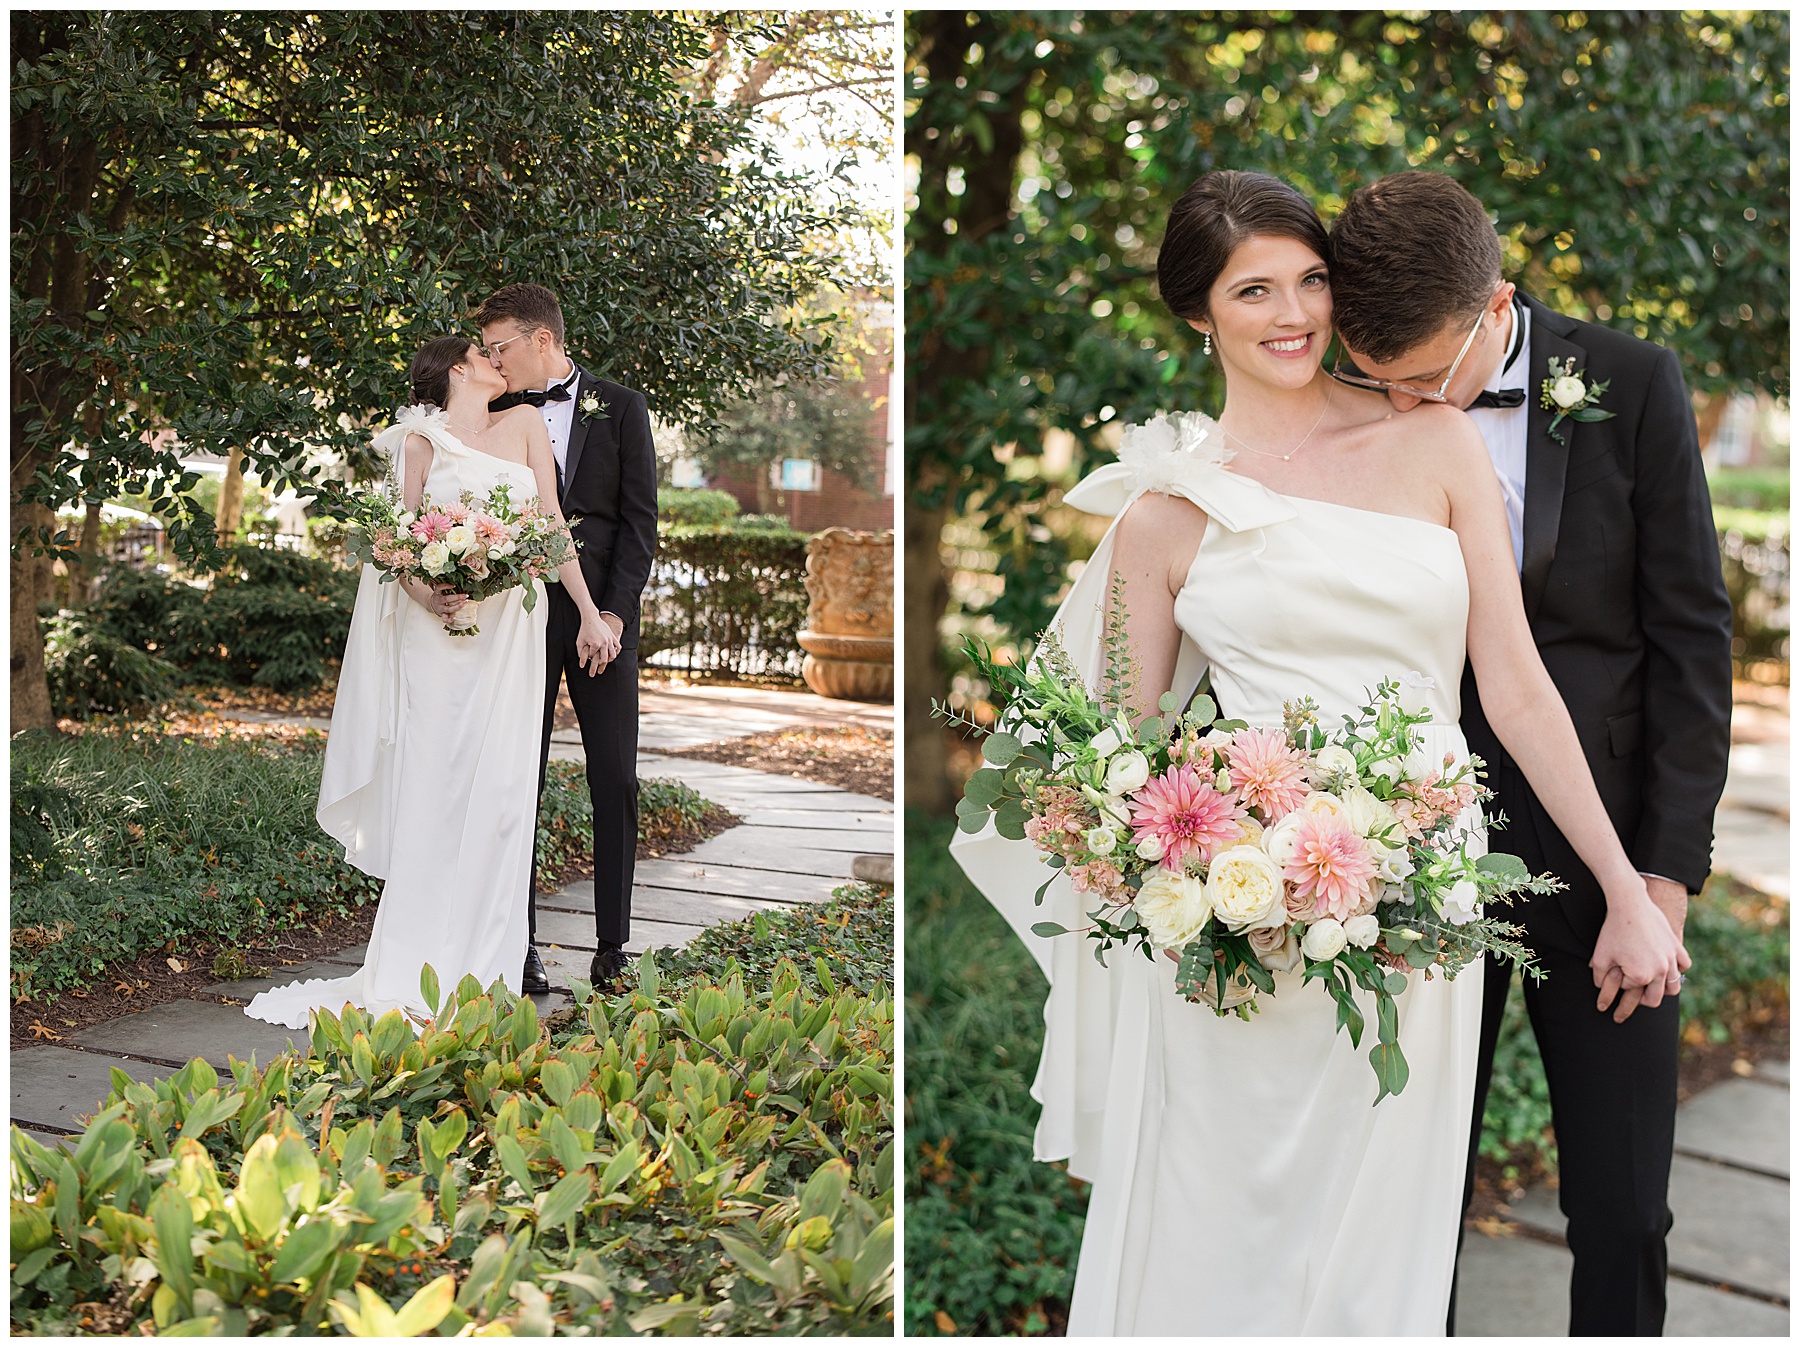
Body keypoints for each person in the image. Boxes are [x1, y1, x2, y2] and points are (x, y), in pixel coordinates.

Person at [950, 170, 1687, 1334]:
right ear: (1200, 314)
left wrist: (1626, 889)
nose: (1292, 313)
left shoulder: (1436, 443)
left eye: (1309, 280)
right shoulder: (1164, 513)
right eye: (1254, 289)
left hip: (1421, 911)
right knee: (1221, 1229)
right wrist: (1190, 867)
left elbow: (1522, 690)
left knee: (1380, 1242)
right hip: (1239, 933)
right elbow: (1115, 768)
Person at [1327, 170, 1733, 1336]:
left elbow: (1693, 642)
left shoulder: (1633, 382)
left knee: (1623, 1212)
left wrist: (1660, 883)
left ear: (1496, 306)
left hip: (1606, 862)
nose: (1397, 403)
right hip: (1415, 866)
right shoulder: (1362, 404)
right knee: (1410, 1200)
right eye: (1374, 376)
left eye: (1423, 378)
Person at [246, 336, 609, 1029]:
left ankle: (484, 970)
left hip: (508, 637)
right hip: (437, 641)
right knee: (433, 789)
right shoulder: (419, 444)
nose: (496, 360)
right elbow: (396, 547)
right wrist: (429, 594)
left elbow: (552, 525)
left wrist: (589, 612)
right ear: (455, 370)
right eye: (482, 352)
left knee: (500, 790)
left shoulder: (527, 425)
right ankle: (415, 963)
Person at [473, 284, 659, 993]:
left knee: (613, 775)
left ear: (542, 340)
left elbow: (640, 523)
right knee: (519, 780)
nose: (495, 360)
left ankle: (614, 944)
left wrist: (611, 616)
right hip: (521, 619)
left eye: (502, 347)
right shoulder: (493, 414)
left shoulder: (622, 406)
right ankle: (516, 948)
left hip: (603, 619)